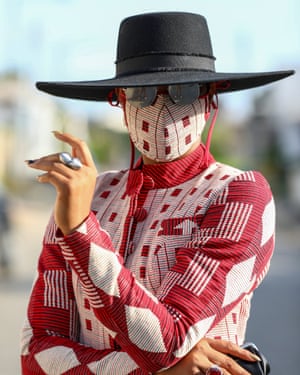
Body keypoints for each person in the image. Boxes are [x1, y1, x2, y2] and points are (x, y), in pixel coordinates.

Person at [21, 12, 294, 375]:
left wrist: (81, 232)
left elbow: (169, 342)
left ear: (210, 99)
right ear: (119, 102)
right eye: (141, 92)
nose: (162, 106)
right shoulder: (86, 195)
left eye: (184, 91)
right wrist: (163, 369)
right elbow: (36, 356)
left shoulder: (240, 195)